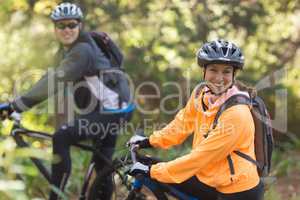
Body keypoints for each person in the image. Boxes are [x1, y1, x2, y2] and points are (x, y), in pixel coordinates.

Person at [0, 2, 133, 200]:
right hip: (114, 109)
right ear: (54, 28)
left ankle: (57, 195)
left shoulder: (82, 51)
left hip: (111, 113)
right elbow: (49, 78)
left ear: (80, 25)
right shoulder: (67, 51)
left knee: (61, 136)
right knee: (102, 167)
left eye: (71, 25)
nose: (67, 30)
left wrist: (15, 106)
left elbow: (54, 82)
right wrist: (18, 106)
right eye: (61, 26)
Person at [129, 40, 264, 200]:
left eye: (226, 72)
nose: (219, 78)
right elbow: (181, 125)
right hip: (209, 175)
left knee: (158, 172)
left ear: (233, 75)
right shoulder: (201, 94)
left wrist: (153, 171)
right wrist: (150, 141)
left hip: (236, 190)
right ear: (204, 71)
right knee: (158, 171)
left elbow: (201, 157)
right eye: (213, 70)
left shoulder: (237, 114)